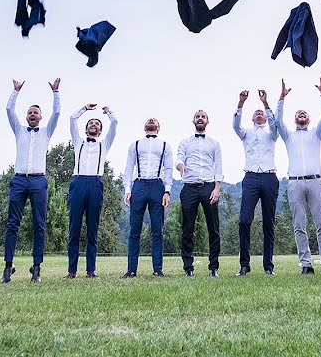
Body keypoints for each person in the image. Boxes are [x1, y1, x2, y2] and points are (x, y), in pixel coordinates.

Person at [2, 78, 60, 284]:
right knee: (12, 224)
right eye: (29, 112)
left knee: (39, 224)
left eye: (35, 112)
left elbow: (57, 114)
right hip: (18, 181)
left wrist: (55, 93)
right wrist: (15, 92)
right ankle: (8, 266)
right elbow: (9, 111)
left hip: (38, 182)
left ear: (41, 117)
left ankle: (36, 267)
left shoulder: (46, 132)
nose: (32, 114)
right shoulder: (19, 130)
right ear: (26, 117)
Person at [276, 75, 321, 275]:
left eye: (305, 113)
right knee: (299, 224)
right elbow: (277, 120)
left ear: (308, 119)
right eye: (298, 113)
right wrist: (281, 98)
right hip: (294, 183)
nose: (302, 114)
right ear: (295, 119)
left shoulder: (315, 134)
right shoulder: (288, 136)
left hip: (315, 181)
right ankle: (306, 264)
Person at [65, 102, 117, 279]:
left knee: (93, 229)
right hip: (78, 183)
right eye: (91, 123)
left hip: (96, 183)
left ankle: (91, 270)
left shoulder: (105, 144)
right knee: (74, 228)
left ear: (100, 130)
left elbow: (115, 123)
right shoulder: (78, 141)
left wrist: (108, 112)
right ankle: (71, 271)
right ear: (86, 128)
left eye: (97, 124)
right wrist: (85, 109)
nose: (93, 125)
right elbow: (72, 118)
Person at [233, 89, 279, 276]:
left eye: (262, 113)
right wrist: (241, 103)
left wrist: (266, 103)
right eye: (257, 112)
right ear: (252, 118)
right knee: (244, 220)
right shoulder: (246, 133)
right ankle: (244, 265)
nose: (259, 113)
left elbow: (276, 124)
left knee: (269, 222)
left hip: (269, 177)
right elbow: (235, 125)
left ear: (266, 118)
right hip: (250, 177)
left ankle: (268, 266)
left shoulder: (272, 133)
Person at [122, 118, 173, 278]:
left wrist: (167, 191)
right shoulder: (135, 145)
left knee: (157, 230)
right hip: (139, 185)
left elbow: (169, 169)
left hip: (157, 186)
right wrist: (128, 189)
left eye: (154, 120)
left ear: (158, 128)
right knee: (134, 230)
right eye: (149, 120)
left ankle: (157, 269)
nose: (151, 120)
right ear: (145, 127)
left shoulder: (165, 145)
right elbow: (129, 167)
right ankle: (131, 270)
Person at [176, 110, 223, 277]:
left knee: (213, 228)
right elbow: (179, 159)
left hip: (209, 186)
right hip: (189, 187)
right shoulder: (185, 142)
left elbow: (218, 167)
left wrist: (217, 189)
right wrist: (181, 166)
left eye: (203, 116)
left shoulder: (214, 143)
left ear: (208, 121)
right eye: (197, 116)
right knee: (187, 228)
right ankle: (188, 268)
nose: (200, 118)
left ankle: (213, 268)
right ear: (193, 121)